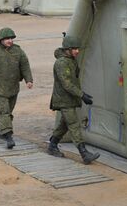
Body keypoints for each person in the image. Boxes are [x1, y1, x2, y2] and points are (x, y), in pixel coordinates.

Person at [47, 35, 100, 164]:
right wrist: (82, 95)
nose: (77, 51)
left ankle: (52, 145)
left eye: (77, 48)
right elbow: (67, 84)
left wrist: (81, 95)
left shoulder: (71, 60)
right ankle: (84, 153)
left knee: (64, 124)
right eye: (74, 48)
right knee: (73, 124)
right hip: (64, 100)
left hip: (70, 98)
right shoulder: (61, 63)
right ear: (67, 49)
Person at [0, 27, 33, 149]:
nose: (10, 41)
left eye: (11, 38)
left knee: (8, 112)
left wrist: (28, 80)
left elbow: (25, 65)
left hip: (13, 88)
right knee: (3, 112)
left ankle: (2, 129)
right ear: (1, 40)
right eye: (7, 39)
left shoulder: (18, 51)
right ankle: (9, 137)